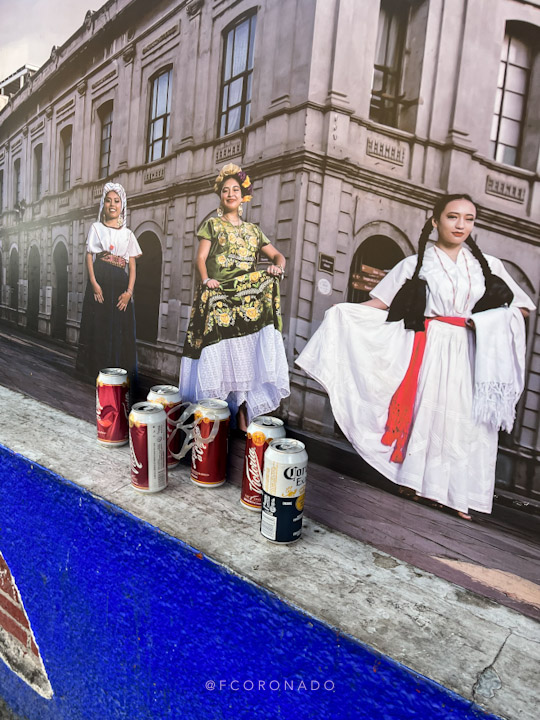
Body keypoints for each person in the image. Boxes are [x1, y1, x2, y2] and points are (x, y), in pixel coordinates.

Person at [296, 194, 535, 519]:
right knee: (428, 415)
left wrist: (481, 322)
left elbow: (520, 309)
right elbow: (379, 304)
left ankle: (456, 495)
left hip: (471, 351)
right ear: (436, 221)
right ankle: (416, 483)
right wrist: (340, 313)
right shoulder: (415, 264)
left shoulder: (488, 266)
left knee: (466, 422)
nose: (461, 225)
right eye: (453, 217)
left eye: (469, 218)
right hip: (429, 347)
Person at [179, 163, 290, 430]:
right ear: (221, 195)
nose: (231, 194)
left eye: (235, 190)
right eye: (226, 190)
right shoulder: (212, 225)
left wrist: (278, 267)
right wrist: (207, 280)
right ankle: (211, 412)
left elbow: (278, 256)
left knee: (246, 354)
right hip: (219, 293)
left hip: (244, 299)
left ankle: (243, 411)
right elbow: (201, 258)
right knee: (218, 349)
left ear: (243, 196)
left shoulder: (253, 231)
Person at [76, 182, 142, 384]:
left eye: (116, 201)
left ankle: (117, 374)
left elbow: (132, 266)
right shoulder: (96, 228)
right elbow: (89, 257)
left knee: (119, 327)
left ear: (122, 205)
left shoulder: (128, 234)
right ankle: (95, 372)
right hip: (101, 278)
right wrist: (94, 283)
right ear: (103, 204)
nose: (112, 205)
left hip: (120, 283)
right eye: (108, 201)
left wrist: (129, 292)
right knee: (99, 325)